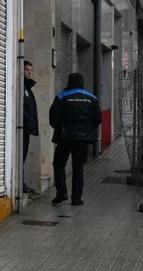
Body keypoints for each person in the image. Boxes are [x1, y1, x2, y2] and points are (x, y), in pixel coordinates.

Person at [47, 72, 101, 206]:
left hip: (65, 137)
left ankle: (61, 193)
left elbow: (53, 118)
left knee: (59, 164)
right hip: (83, 140)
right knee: (79, 168)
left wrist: (61, 128)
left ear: (69, 82)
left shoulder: (61, 96)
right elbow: (98, 119)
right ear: (82, 83)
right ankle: (76, 198)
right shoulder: (92, 98)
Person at [22, 60, 40, 195]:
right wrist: (27, 122)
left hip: (26, 129)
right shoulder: (22, 87)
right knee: (21, 155)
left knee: (23, 156)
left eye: (31, 70)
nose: (29, 72)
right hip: (22, 129)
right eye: (27, 69)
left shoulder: (27, 88)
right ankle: (20, 183)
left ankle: (21, 182)